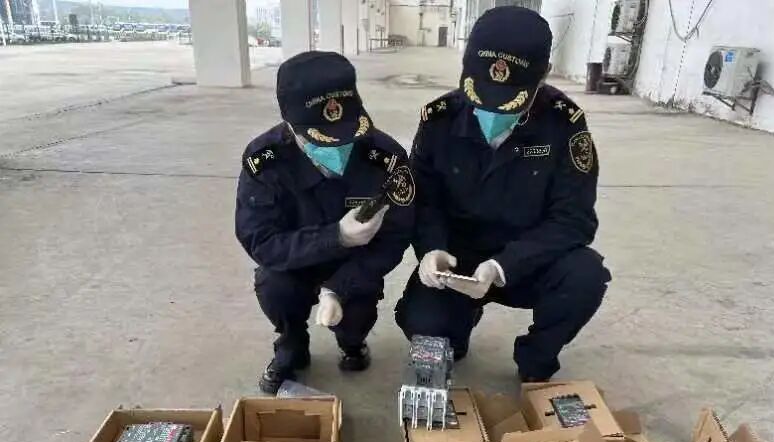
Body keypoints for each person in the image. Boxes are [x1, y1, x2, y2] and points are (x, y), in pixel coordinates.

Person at [395, 6, 611, 382]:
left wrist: (501, 267)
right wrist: (432, 249)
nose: (492, 109)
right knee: (422, 322)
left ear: (543, 74)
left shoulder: (564, 125)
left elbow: (574, 219)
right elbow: (424, 199)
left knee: (585, 277)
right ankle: (459, 321)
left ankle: (536, 358)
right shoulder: (439, 119)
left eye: (508, 97)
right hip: (459, 260)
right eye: (483, 92)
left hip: (529, 259)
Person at [236, 51, 415, 394]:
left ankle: (352, 343)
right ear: (290, 124)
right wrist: (337, 236)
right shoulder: (266, 161)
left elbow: (395, 236)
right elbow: (261, 241)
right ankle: (291, 345)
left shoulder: (385, 158)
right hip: (295, 262)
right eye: (321, 136)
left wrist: (338, 288)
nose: (340, 146)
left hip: (355, 264)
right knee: (273, 285)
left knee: (356, 317)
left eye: (346, 132)